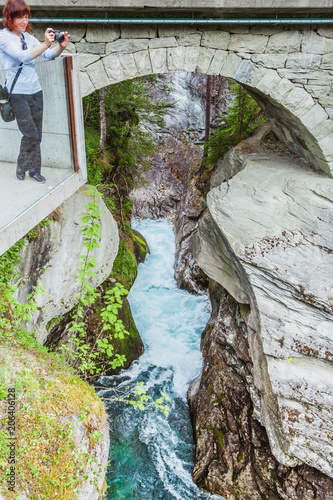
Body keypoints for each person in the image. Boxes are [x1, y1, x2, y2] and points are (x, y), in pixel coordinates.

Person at [0, 0, 70, 183]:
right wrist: (45, 44)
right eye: (20, 17)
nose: (24, 20)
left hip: (36, 91)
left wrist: (60, 46)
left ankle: (34, 170)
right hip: (17, 94)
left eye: (26, 16)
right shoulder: (4, 37)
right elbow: (21, 56)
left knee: (38, 133)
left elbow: (48, 55)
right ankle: (22, 166)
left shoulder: (27, 37)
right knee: (30, 134)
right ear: (9, 17)